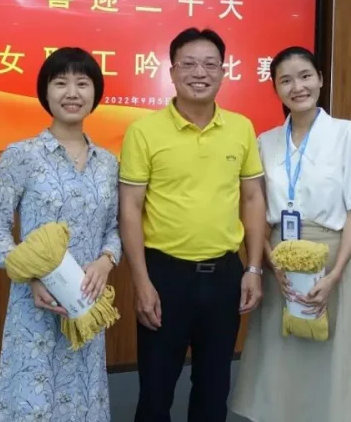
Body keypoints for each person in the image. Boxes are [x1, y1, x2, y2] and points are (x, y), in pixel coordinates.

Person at [118, 27, 267, 422]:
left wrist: (253, 268)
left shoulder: (241, 127)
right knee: (155, 392)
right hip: (165, 276)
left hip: (224, 275)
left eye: (210, 64)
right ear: (171, 71)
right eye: (188, 64)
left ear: (223, 72)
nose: (199, 73)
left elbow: (253, 199)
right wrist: (141, 282)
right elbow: (130, 208)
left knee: (214, 388)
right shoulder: (143, 131)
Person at [229, 46, 351, 422]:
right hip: (279, 254)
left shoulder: (349, 134)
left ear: (320, 79)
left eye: (305, 76)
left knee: (328, 345)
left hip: (331, 253)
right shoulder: (265, 142)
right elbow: (254, 208)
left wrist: (336, 274)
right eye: (286, 80)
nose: (298, 87)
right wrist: (268, 260)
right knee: (279, 346)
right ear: (275, 89)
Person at [0, 47, 122, 422]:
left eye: (82, 83)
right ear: (45, 92)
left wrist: (106, 262)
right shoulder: (21, 155)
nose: (72, 93)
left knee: (83, 402)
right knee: (34, 403)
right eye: (60, 83)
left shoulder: (109, 163)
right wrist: (28, 277)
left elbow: (114, 227)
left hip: (86, 302)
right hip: (35, 306)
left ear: (96, 92)